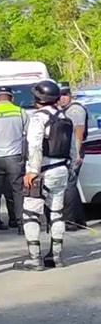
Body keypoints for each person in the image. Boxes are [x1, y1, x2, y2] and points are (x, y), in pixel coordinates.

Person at [14, 80, 77, 271]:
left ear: (38, 98)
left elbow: (35, 146)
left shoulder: (38, 118)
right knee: (57, 213)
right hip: (62, 169)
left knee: (30, 214)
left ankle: (35, 258)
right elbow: (72, 148)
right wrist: (71, 167)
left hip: (42, 172)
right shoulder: (65, 118)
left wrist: (32, 171)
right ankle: (56, 256)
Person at [0, 86, 27, 235]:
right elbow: (28, 134)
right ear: (12, 98)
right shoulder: (20, 112)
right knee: (17, 191)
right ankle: (21, 224)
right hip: (14, 156)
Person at [58, 82, 88, 231]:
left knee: (69, 187)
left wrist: (76, 153)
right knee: (72, 186)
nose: (62, 98)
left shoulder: (75, 110)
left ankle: (71, 221)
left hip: (74, 151)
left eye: (65, 95)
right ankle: (79, 220)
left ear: (70, 95)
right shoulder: (65, 110)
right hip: (70, 152)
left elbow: (79, 132)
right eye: (60, 95)